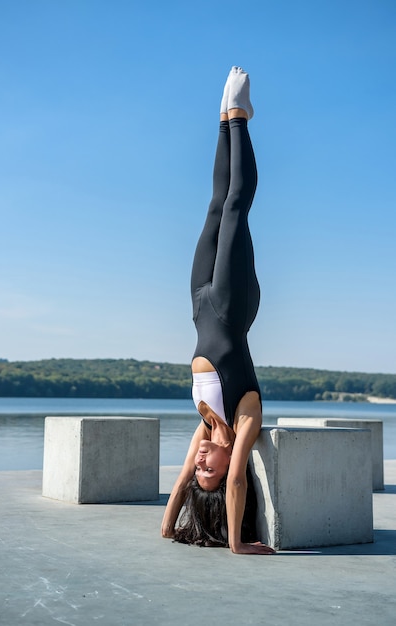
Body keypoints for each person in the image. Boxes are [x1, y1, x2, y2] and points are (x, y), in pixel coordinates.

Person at [161, 67, 275, 555]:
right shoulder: (247, 416)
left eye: (200, 467)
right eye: (212, 467)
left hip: (198, 305)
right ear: (232, 464)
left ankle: (223, 120)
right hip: (231, 306)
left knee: (213, 205)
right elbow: (235, 489)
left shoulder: (205, 427)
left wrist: (170, 526)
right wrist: (236, 544)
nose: (202, 461)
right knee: (235, 207)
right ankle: (239, 118)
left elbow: (183, 479)